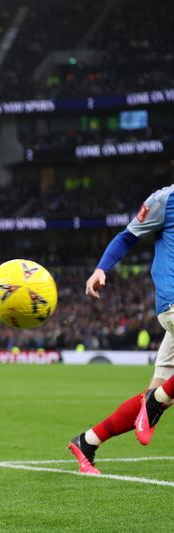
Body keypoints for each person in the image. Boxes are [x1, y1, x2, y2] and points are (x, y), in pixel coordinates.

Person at [68, 185, 174, 474]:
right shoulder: (165, 199)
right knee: (158, 398)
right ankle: (157, 401)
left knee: (156, 391)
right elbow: (127, 235)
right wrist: (102, 268)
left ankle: (88, 441)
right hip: (173, 299)